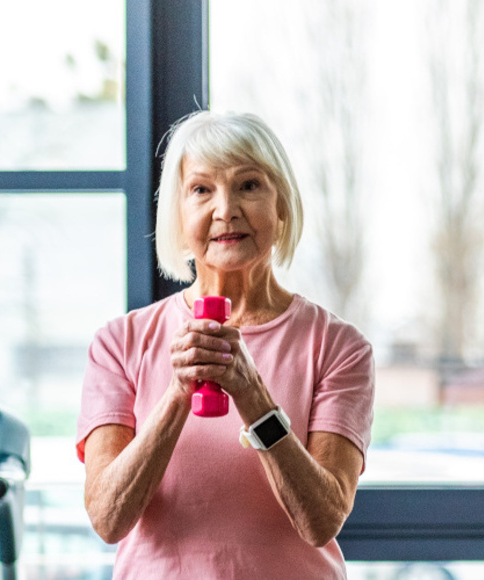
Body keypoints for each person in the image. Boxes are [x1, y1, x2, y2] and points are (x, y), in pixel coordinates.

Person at [76, 111, 374, 579]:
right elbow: (108, 518)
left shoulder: (338, 347)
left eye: (249, 185)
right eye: (201, 190)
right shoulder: (120, 343)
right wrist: (178, 394)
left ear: (282, 205)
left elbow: (322, 520)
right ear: (178, 213)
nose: (225, 209)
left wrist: (253, 396)